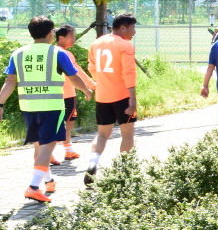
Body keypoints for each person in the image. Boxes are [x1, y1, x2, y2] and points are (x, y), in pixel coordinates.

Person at [0, 17, 92, 203]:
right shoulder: (57, 53)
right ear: (51, 33)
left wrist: (0, 104)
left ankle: (48, 181)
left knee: (39, 146)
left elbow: (10, 82)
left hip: (28, 107)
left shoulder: (18, 53)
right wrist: (87, 90)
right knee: (48, 146)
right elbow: (74, 78)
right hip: (51, 107)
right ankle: (33, 187)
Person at [85, 13, 140, 184]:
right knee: (127, 135)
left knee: (102, 134)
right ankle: (124, 171)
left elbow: (91, 67)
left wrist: (101, 82)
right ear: (122, 28)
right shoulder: (125, 45)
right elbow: (129, 73)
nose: (134, 32)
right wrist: (132, 99)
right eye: (132, 28)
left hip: (103, 96)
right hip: (123, 96)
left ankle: (93, 162)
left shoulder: (97, 43)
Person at [52, 24, 94, 165]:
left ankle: (68, 151)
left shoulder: (50, 52)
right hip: (67, 94)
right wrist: (91, 85)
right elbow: (77, 73)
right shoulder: (65, 54)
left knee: (56, 125)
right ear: (60, 37)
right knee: (67, 125)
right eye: (71, 36)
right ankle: (50, 152)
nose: (73, 39)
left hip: (51, 94)